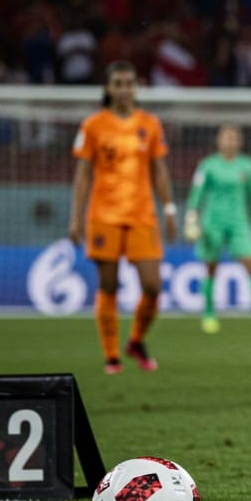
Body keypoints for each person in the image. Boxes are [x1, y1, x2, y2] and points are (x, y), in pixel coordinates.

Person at [68, 60, 178, 374]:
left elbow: (159, 170)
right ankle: (111, 355)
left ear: (136, 87)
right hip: (104, 215)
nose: (124, 89)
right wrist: (75, 218)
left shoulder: (150, 123)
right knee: (109, 284)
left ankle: (136, 341)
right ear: (108, 88)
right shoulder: (93, 125)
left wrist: (169, 208)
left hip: (142, 215)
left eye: (129, 83)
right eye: (118, 83)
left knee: (153, 285)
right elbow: (83, 176)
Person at [183, 124, 251, 333]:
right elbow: (197, 193)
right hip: (213, 221)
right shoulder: (208, 165)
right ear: (218, 141)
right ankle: (209, 314)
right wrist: (192, 217)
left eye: (234, 138)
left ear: (240, 142)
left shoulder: (247, 165)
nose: (230, 141)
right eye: (226, 137)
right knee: (211, 267)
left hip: (238, 221)